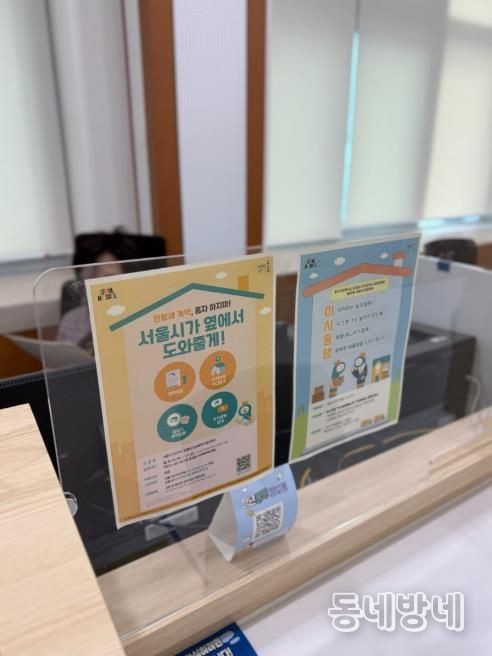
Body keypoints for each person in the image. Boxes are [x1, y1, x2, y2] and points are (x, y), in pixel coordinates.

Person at [57, 231, 140, 351]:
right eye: (91, 277)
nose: (97, 287)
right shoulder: (70, 321)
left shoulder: (142, 320)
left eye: (108, 278)